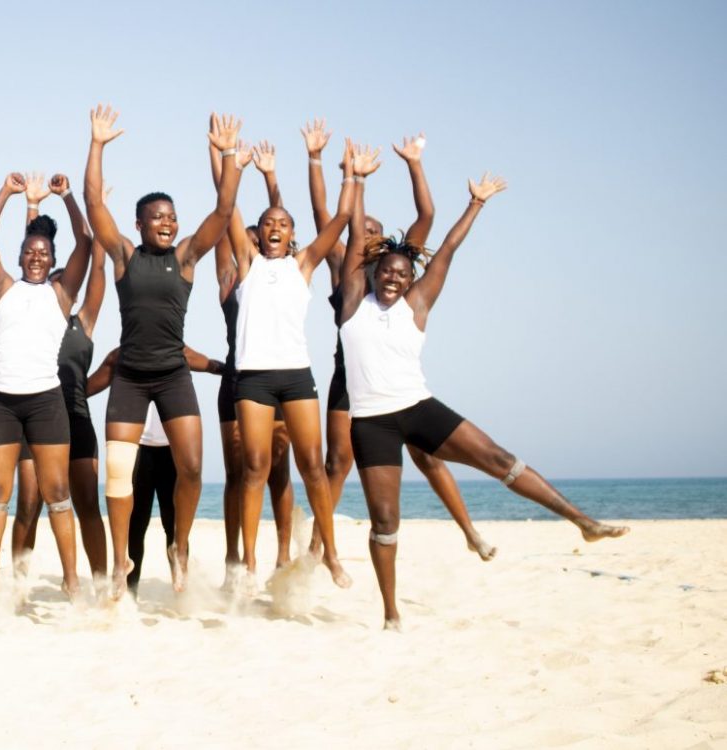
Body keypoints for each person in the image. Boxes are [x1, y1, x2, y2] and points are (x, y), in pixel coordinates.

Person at [341, 147, 628, 630]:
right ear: (373, 273)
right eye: (386, 271)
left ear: (412, 280)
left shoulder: (417, 306)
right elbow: (353, 240)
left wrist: (476, 203)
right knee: (385, 522)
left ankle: (584, 522)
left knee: (499, 459)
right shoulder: (353, 302)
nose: (393, 278)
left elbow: (447, 250)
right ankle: (391, 614)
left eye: (402, 274)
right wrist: (358, 179)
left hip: (418, 407)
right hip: (372, 423)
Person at [303, 120, 496, 560]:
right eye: (360, 227)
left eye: (373, 229)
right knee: (338, 462)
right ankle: (319, 546)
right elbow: (323, 215)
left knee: (429, 457)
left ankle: (469, 531)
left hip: (396, 379)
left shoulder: (397, 266)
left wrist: (415, 164)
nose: (366, 233)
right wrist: (333, 170)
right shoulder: (343, 268)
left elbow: (427, 217)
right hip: (349, 379)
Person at [84, 104, 243, 598]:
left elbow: (222, 212)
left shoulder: (186, 258)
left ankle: (180, 546)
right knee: (116, 473)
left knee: (192, 467)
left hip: (173, 375)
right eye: (158, 217)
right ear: (139, 222)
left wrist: (228, 155)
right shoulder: (124, 257)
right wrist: (98, 145)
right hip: (130, 377)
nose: (168, 223)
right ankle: (119, 559)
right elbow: (93, 205)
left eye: (172, 217)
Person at [224, 136, 356, 595]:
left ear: (292, 233)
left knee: (313, 467)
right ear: (258, 234)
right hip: (254, 379)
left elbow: (339, 219)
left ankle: (331, 556)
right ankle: (249, 561)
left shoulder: (304, 264)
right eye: (267, 223)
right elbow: (227, 209)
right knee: (255, 467)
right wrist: (230, 161)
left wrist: (349, 174)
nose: (274, 227)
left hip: (297, 376)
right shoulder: (248, 263)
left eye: (282, 222)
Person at [0, 172, 92, 602]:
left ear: (51, 257)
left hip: (46, 402)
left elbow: (87, 243)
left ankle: (72, 580)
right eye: (29, 252)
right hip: (1, 403)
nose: (36, 258)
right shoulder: (1, 287)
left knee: (58, 494)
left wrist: (67, 197)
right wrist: (6, 192)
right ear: (20, 256)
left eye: (43, 253)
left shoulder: (62, 294)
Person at [9, 175, 108, 583]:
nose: (56, 284)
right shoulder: (32, 308)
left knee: (86, 503)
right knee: (29, 504)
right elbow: (30, 251)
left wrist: (96, 211)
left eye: (64, 279)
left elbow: (96, 259)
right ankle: (17, 582)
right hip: (36, 419)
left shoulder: (83, 321)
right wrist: (30, 208)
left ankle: (101, 580)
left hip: (76, 419)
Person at [207, 137, 295, 584]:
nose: (254, 238)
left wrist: (270, 176)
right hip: (238, 382)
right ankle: (234, 559)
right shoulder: (233, 274)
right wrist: (222, 159)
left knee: (279, 470)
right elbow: (226, 212)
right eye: (247, 236)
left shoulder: (282, 270)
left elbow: (280, 223)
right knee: (237, 473)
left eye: (258, 235)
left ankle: (282, 556)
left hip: (280, 378)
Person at [85, 347, 224, 596]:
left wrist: (224, 368)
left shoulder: (174, 350)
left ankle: (181, 590)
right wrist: (65, 396)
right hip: (138, 449)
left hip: (172, 450)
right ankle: (131, 592)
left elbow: (203, 362)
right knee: (136, 525)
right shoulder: (123, 354)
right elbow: (94, 382)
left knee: (174, 525)